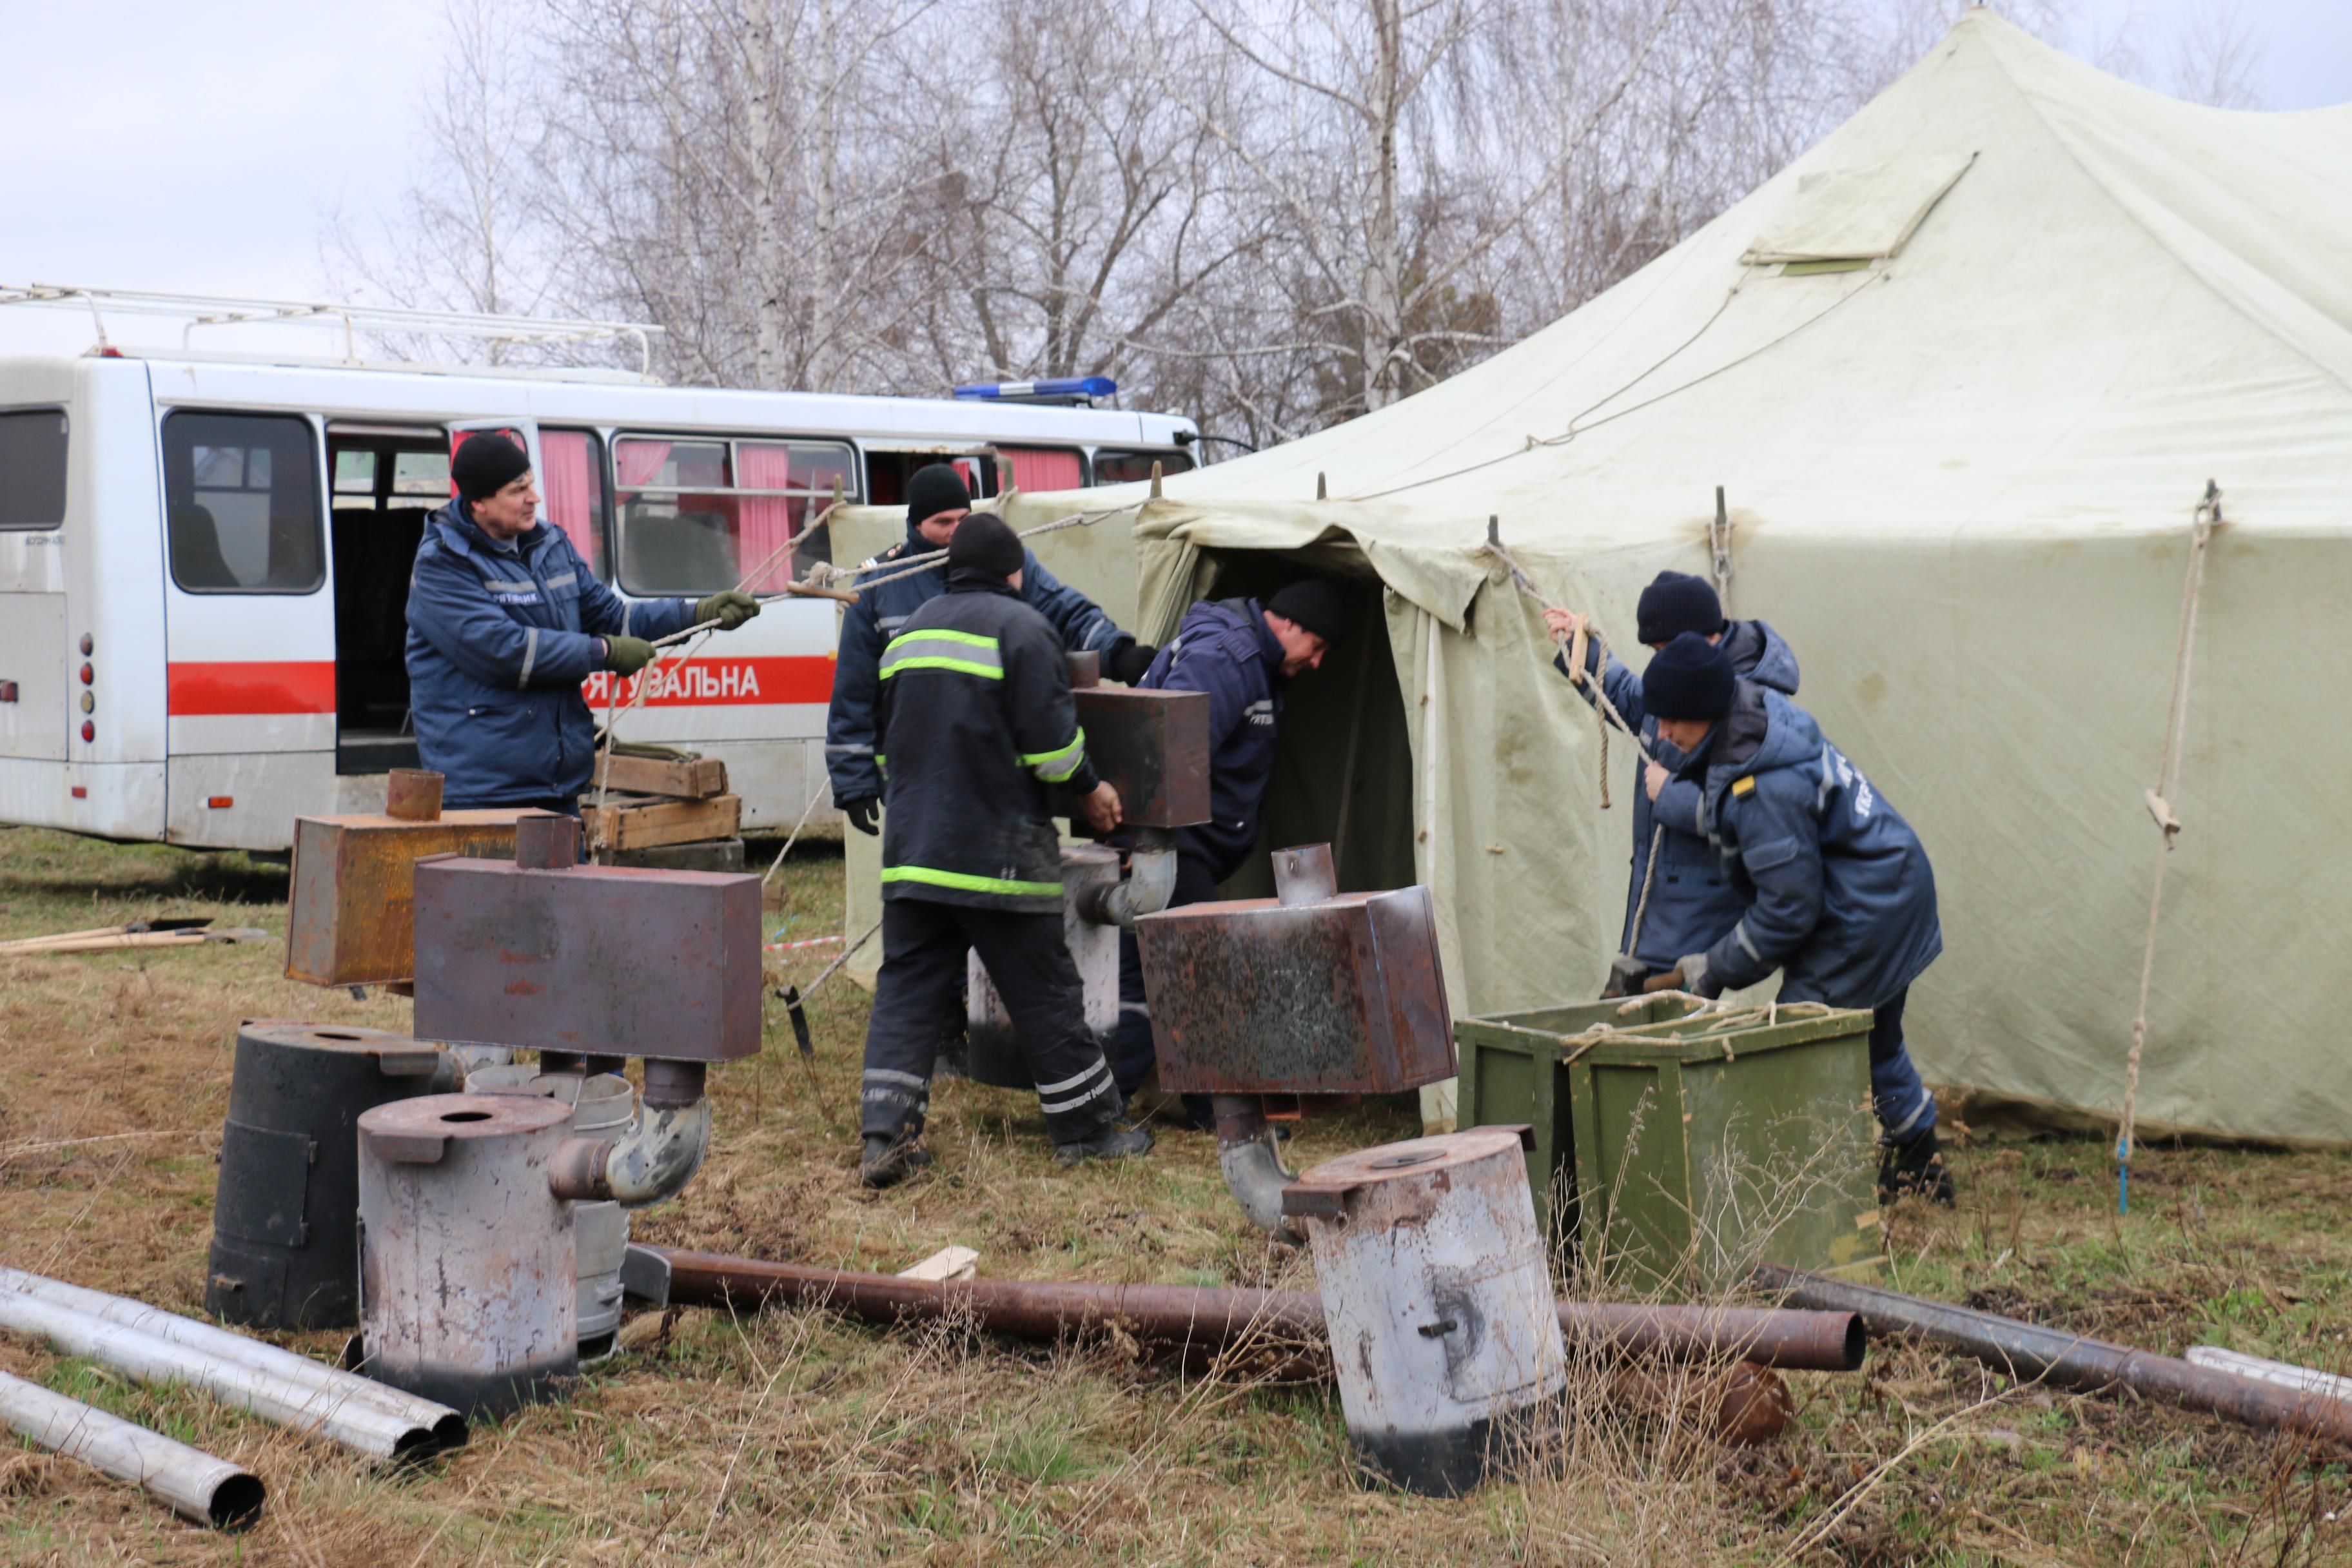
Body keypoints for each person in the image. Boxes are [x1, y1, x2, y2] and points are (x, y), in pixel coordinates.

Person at [856, 513, 1150, 1186]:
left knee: (907, 991)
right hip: (997, 857)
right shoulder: (1023, 628)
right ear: (1015, 571)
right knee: (1044, 987)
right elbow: (1051, 748)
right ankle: (1087, 1129)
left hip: (912, 853)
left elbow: (881, 744)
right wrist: (1092, 787)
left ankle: (885, 1139)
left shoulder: (907, 634)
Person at [1634, 632, 1953, 1204]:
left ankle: (1812, 1202)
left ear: (1701, 712)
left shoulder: (1763, 784)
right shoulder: (1750, 720)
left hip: (1866, 914)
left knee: (1800, 1051)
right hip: (1890, 884)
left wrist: (1713, 968)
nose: (1660, 734)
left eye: (1669, 720)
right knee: (1876, 1044)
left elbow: (1787, 911)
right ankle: (1922, 1170)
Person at [406, 433, 760, 812]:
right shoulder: (442, 564)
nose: (534, 498)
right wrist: (603, 653)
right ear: (478, 502)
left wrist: (696, 614)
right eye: (517, 489)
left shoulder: (551, 546)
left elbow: (614, 617)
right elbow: (505, 651)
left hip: (558, 787)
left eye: (531, 483)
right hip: (483, 795)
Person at [1110, 576, 1346, 1101]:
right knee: (1195, 977)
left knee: (1157, 979)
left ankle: (1122, 1102)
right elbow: (1163, 753)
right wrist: (1139, 852)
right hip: (1170, 848)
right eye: (1318, 647)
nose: (1317, 663)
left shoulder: (1254, 660)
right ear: (1287, 624)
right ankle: (1181, 1109)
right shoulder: (1227, 659)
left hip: (1177, 846)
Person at [827, 464, 1157, 835]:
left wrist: (1119, 652)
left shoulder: (1007, 563)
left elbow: (1065, 612)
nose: (955, 531)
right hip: (920, 781)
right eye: (943, 522)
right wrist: (853, 782)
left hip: (999, 781)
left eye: (963, 519)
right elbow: (853, 691)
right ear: (916, 524)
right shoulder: (879, 585)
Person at [1542, 571, 1799, 997]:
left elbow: (1756, 810)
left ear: (1702, 639)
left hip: (1702, 910)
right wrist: (1581, 650)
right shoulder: (1690, 676)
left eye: (1664, 650)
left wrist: (1671, 795)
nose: (1663, 731)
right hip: (1660, 897)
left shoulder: (1751, 705)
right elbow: (1641, 703)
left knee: (1664, 1037)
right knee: (1632, 1026)